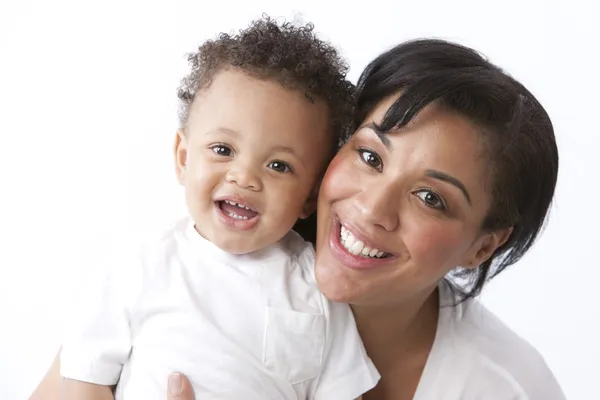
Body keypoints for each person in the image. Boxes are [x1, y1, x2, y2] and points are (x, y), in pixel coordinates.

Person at [29, 32, 566, 400]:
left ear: (483, 246)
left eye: (431, 198)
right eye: (371, 157)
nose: (371, 209)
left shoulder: (502, 386)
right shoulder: (183, 267)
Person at [56, 16, 379, 400]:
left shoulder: (316, 288)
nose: (244, 178)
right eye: (223, 150)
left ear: (310, 196)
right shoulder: (141, 265)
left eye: (279, 166)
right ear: (183, 157)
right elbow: (83, 380)